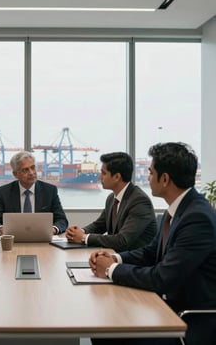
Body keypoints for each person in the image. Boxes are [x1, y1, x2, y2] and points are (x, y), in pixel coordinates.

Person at [90, 142, 216, 345]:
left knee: (108, 330)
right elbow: (151, 253)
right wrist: (115, 257)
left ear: (165, 179)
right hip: (166, 305)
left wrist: (111, 269)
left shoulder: (196, 218)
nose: (147, 178)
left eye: (150, 172)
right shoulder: (177, 210)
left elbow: (162, 277)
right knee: (103, 324)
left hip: (189, 319)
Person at [65, 152, 157, 251]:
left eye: (104, 173)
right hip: (115, 257)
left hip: (135, 262)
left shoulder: (140, 201)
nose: (100, 177)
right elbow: (99, 225)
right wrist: (78, 232)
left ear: (117, 177)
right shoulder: (112, 198)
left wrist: (84, 238)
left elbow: (122, 240)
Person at [0, 151, 68, 235]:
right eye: (25, 170)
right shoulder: (3, 192)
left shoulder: (50, 191)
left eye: (33, 167)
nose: (31, 173)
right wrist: (1, 229)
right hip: (14, 241)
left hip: (42, 240)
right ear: (15, 174)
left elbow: (62, 220)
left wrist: (53, 230)